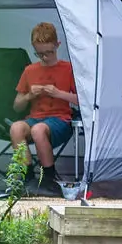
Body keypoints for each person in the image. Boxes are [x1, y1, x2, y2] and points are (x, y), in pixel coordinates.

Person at [10, 21, 77, 191]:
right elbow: (17, 106)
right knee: (16, 128)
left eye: (49, 52)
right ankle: (27, 176)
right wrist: (29, 95)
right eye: (40, 54)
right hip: (35, 118)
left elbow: (83, 102)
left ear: (57, 45)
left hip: (61, 120)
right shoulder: (30, 71)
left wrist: (58, 93)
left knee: (38, 130)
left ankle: (48, 177)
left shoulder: (68, 68)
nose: (45, 57)